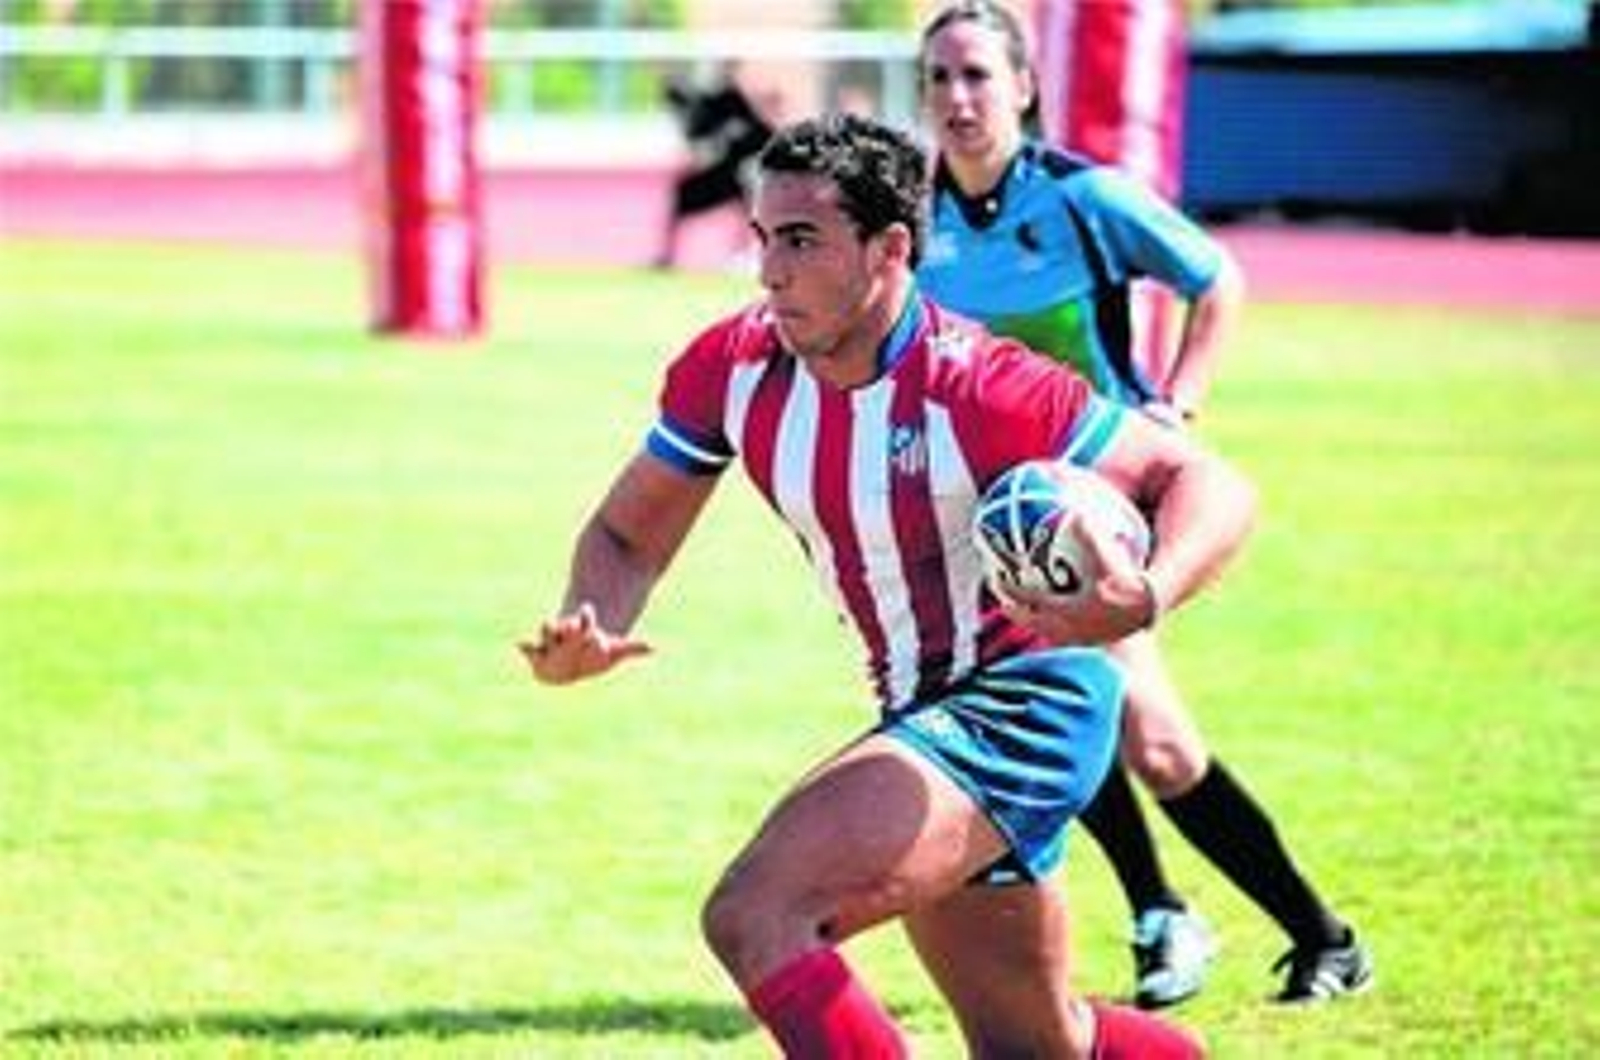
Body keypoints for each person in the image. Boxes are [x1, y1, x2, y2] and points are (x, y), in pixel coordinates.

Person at [518, 111, 1259, 1058]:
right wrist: (592, 619)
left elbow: (1209, 483)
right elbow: (628, 533)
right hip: (920, 707)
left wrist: (1145, 593)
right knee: (1038, 1048)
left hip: (1027, 705)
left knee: (757, 913)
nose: (769, 272)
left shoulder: (978, 382)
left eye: (801, 241)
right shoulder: (734, 366)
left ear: (890, 248)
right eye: (761, 239)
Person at [914, 0, 1373, 1009]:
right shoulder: (913, 217)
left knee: (1152, 739)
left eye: (977, 75)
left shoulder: (1082, 197)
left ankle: (1315, 933)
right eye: (939, 77)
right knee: (1060, 715)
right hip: (991, 522)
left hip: (1101, 508)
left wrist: (1178, 402)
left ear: (1024, 87)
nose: (956, 97)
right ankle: (1169, 913)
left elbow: (1218, 279)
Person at [653, 64, 775, 270]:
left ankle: (749, 253)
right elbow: (703, 148)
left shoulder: (734, 104)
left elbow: (762, 141)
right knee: (683, 194)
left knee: (753, 193)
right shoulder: (700, 113)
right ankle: (667, 256)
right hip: (725, 172)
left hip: (749, 173)